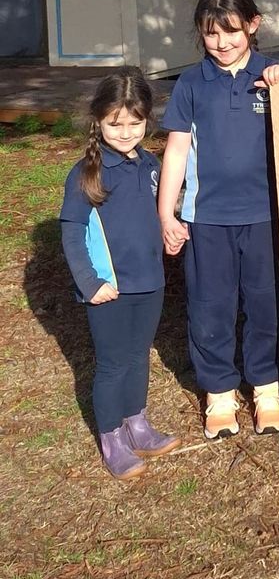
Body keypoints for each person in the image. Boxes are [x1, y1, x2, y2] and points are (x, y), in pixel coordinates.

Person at [158, 0, 279, 440]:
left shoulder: (275, 75)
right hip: (207, 219)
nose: (222, 43)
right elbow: (175, 152)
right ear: (200, 33)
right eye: (211, 34)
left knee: (265, 304)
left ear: (252, 26)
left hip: (266, 217)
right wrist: (167, 215)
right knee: (210, 308)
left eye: (232, 31)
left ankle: (266, 389)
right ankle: (218, 393)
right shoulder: (192, 84)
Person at [60, 68, 178, 482]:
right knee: (112, 364)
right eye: (115, 124)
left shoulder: (150, 164)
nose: (126, 132)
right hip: (108, 289)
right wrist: (90, 283)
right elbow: (72, 232)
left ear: (147, 120)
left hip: (151, 282)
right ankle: (111, 438)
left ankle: (137, 423)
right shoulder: (86, 173)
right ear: (98, 121)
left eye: (135, 123)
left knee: (138, 356)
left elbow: (159, 214)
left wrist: (172, 230)